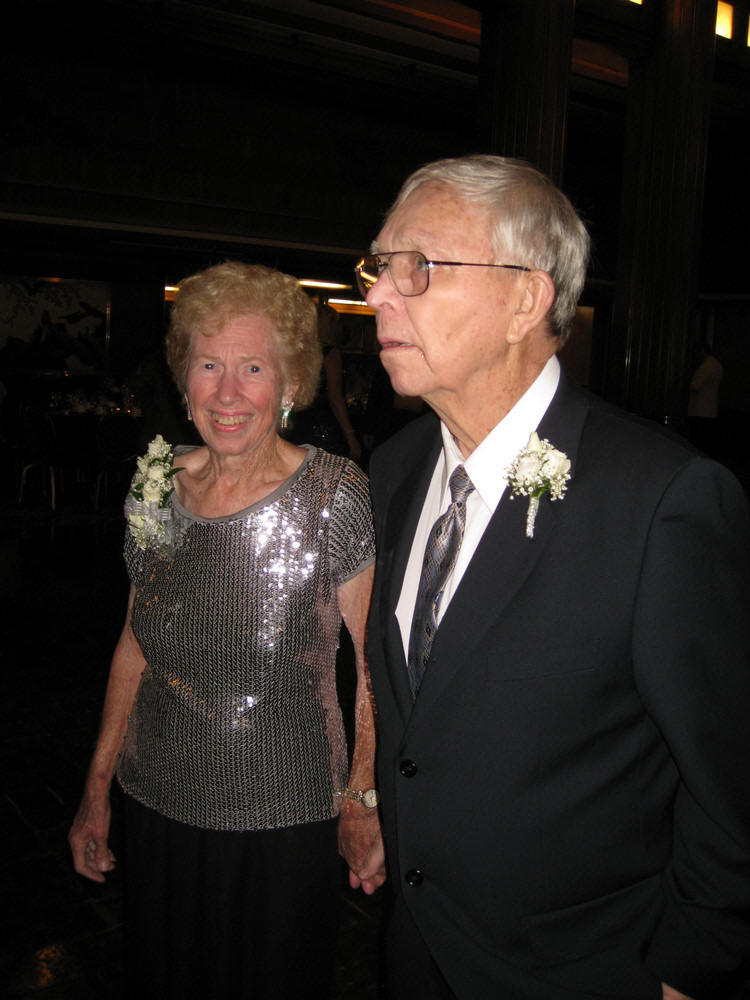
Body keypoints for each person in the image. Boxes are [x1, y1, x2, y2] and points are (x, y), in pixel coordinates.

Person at [353, 155, 750, 1000]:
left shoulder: (661, 501)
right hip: (418, 950)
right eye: (379, 267)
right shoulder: (395, 467)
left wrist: (684, 973)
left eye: (416, 266)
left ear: (526, 300)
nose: (380, 294)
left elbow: (730, 782)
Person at [68, 261, 385, 998]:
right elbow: (134, 643)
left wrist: (363, 799)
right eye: (210, 365)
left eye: (252, 367)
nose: (229, 392)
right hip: (159, 804)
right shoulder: (156, 481)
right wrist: (96, 790)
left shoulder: (335, 494)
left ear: (289, 384)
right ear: (185, 379)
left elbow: (371, 665)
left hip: (286, 813)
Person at [287, 302, 362, 460]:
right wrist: (350, 436)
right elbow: (335, 398)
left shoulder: (297, 353)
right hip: (322, 423)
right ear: (329, 326)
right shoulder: (330, 354)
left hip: (297, 422)